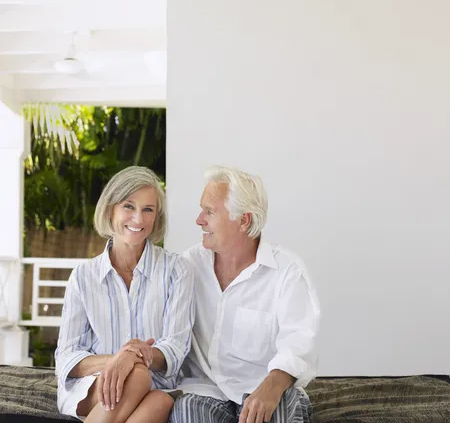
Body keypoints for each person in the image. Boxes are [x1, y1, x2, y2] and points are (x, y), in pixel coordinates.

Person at [170, 166, 319, 423]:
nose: (199, 220)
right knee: (185, 412)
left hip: (266, 388)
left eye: (209, 211)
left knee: (280, 413)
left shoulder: (287, 272)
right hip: (206, 390)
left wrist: (271, 388)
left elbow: (299, 344)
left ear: (243, 220)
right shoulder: (188, 266)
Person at [55, 166, 195, 423]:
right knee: (137, 376)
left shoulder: (177, 271)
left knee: (159, 398)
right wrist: (119, 361)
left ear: (157, 217)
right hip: (93, 385)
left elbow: (175, 348)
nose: (138, 219)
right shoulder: (84, 276)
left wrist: (133, 358)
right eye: (128, 206)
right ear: (111, 210)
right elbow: (67, 356)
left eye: (148, 210)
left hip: (157, 384)